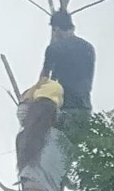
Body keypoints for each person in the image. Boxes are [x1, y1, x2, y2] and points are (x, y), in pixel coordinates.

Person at [40, 9, 95, 138]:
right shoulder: (88, 47)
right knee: (79, 152)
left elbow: (44, 80)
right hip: (84, 107)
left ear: (57, 29)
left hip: (64, 108)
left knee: (58, 151)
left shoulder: (54, 48)